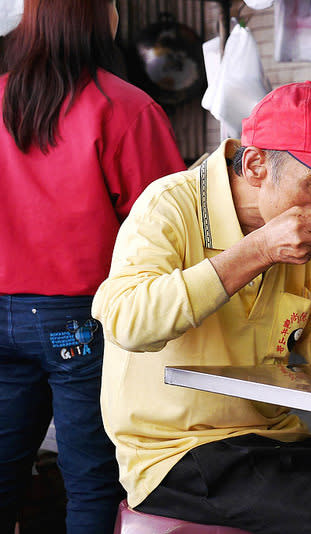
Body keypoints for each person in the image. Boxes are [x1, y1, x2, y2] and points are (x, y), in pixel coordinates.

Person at [92, 81, 311, 534]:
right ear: (256, 165)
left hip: (274, 438)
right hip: (178, 451)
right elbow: (129, 322)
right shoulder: (167, 207)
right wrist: (257, 251)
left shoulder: (292, 235)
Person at [0, 1, 185, 532]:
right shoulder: (124, 107)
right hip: (83, 319)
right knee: (92, 483)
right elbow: (168, 225)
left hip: (4, 313)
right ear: (97, 17)